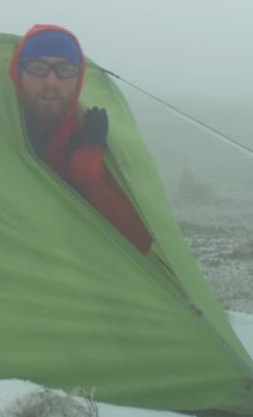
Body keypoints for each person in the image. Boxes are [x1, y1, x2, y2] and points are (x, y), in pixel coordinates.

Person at [8, 25, 154, 255]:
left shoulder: (91, 138)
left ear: (79, 77)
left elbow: (140, 241)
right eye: (38, 68)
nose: (51, 82)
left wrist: (88, 171)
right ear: (18, 72)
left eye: (64, 70)